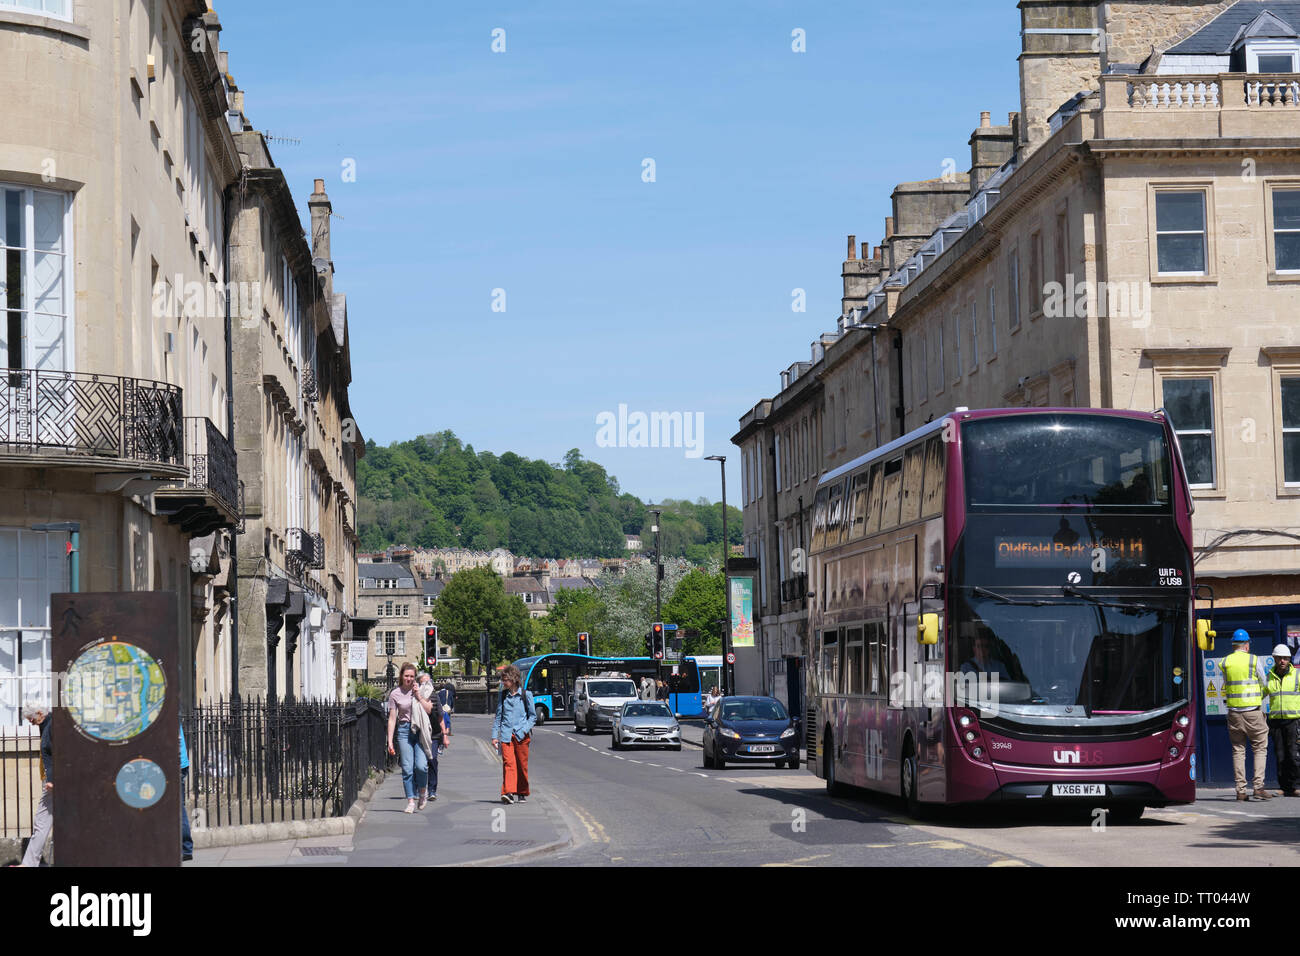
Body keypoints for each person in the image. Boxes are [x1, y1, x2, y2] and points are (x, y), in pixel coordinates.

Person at [1223, 630, 1272, 801]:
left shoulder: (1225, 662)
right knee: (1259, 749)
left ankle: (1240, 791)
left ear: (1233, 644)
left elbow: (1226, 684)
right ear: (1247, 644)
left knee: (1238, 750)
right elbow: (1264, 683)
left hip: (1234, 713)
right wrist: (1260, 696)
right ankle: (1258, 787)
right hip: (1253, 712)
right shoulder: (1253, 659)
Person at [388, 663, 436, 813]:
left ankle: (422, 792)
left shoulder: (420, 690)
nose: (409, 679)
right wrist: (389, 741)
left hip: (419, 730)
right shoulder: (395, 694)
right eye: (406, 676)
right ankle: (410, 800)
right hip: (403, 731)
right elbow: (392, 718)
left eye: (411, 676)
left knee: (421, 766)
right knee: (407, 769)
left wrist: (418, 695)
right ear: (401, 676)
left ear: (415, 678)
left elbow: (428, 709)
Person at [491, 664, 536, 804]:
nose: (503, 682)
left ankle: (521, 791)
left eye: (505, 679)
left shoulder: (526, 695)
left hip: (521, 735)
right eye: (503, 679)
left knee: (521, 765)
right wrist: (494, 736)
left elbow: (533, 717)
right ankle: (508, 792)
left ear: (514, 679)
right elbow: (498, 716)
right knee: (508, 764)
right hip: (506, 735)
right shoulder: (503, 695)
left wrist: (523, 730)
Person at [18, 701, 52, 867]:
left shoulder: (51, 726)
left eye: (31, 718)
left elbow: (55, 754)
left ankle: (29, 864)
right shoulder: (46, 725)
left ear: (40, 713)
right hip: (52, 781)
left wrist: (52, 779)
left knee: (42, 821)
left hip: (54, 782)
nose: (30, 722)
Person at [1266, 644, 1300, 797]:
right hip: (1276, 721)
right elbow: (1260, 694)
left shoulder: (1297, 676)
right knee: (1280, 756)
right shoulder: (1269, 677)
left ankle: (1296, 786)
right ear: (1274, 659)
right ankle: (1284, 787)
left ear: (1289, 660)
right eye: (1279, 658)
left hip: (1293, 721)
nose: (1282, 661)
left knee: (1293, 755)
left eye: (1285, 658)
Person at [415, 674, 450, 798]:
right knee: (419, 764)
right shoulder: (415, 698)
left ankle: (432, 790)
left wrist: (445, 735)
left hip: (434, 734)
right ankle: (419, 788)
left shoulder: (435, 697)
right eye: (423, 683)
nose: (426, 685)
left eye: (428, 682)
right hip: (419, 734)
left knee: (432, 760)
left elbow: (441, 717)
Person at [180, 721, 193, 861]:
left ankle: (185, 847)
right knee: (178, 807)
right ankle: (186, 848)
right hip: (180, 762)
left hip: (173, 762)